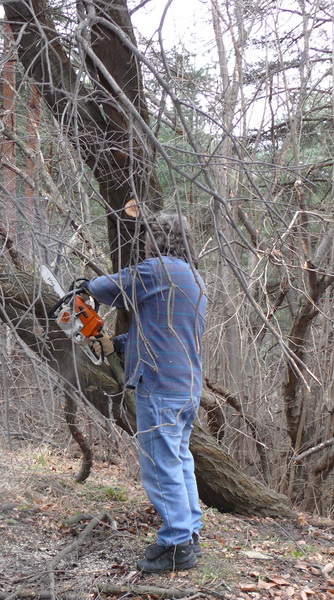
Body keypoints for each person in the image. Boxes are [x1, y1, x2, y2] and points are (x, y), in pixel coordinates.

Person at [86, 213, 207, 574]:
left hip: (160, 385)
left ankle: (176, 545)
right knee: (179, 459)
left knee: (160, 467)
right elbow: (162, 331)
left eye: (149, 238)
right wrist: (118, 344)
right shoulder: (192, 278)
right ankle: (189, 533)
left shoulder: (157, 270)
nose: (145, 244)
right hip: (186, 386)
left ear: (159, 239)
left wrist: (86, 286)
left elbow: (103, 287)